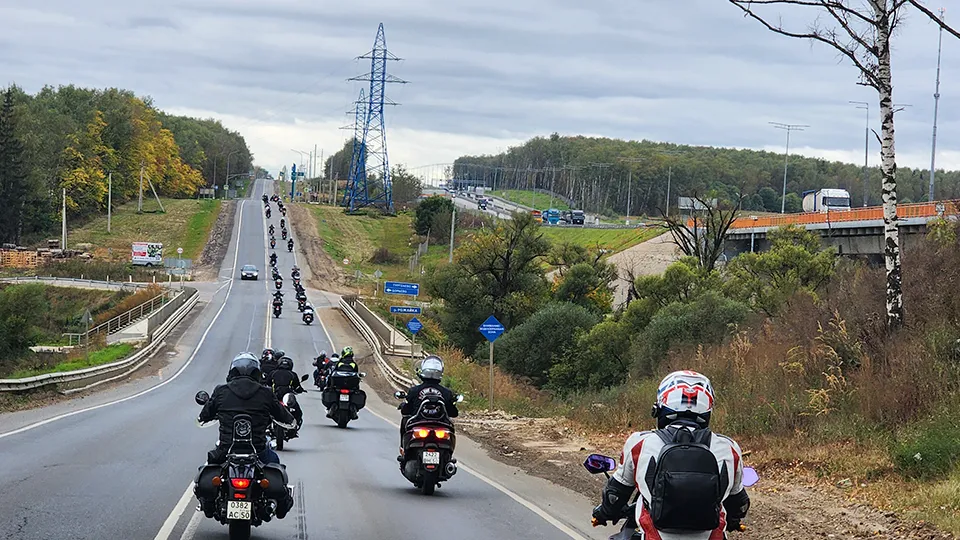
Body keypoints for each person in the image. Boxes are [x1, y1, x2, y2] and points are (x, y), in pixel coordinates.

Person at [590, 370, 751, 540]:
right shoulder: (729, 448)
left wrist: (604, 513)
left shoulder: (640, 442)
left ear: (661, 405)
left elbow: (616, 493)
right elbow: (739, 503)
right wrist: (734, 519)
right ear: (707, 408)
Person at [196, 353, 296, 518]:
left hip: (226, 449)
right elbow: (284, 417)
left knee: (207, 467)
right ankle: (277, 505)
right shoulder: (265, 393)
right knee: (275, 463)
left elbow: (204, 415)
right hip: (258, 450)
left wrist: (207, 415)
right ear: (257, 373)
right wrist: (289, 421)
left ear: (232, 371)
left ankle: (208, 503)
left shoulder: (221, 391)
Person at [398, 355, 459, 460]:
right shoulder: (446, 393)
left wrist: (404, 405)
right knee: (451, 428)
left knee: (405, 421)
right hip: (440, 425)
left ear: (423, 371)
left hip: (418, 422)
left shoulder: (414, 391)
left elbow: (406, 410)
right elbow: (453, 413)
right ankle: (448, 458)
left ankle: (403, 450)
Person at [266, 357, 305, 427]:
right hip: (287, 398)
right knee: (298, 412)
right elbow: (297, 387)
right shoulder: (293, 374)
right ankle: (296, 425)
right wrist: (300, 390)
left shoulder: (273, 373)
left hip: (275, 396)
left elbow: (267, 384)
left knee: (266, 409)